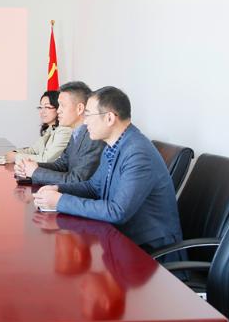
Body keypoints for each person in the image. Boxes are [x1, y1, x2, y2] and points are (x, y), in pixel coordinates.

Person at [33, 86, 182, 255]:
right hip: (120, 240)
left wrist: (60, 201)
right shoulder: (113, 145)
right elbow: (92, 187)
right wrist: (58, 189)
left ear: (109, 118)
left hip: (150, 252)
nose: (85, 122)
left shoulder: (138, 153)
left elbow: (117, 211)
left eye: (88, 115)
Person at [15, 81, 104, 184]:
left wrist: (35, 172)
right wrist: (31, 167)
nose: (58, 111)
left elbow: (77, 180)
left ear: (79, 108)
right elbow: (61, 165)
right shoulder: (76, 133)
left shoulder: (93, 138)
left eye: (62, 105)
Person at [5, 90, 73, 164]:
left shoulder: (64, 131)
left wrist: (16, 157)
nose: (42, 112)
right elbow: (33, 150)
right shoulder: (49, 129)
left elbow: (47, 159)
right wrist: (15, 152)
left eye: (47, 107)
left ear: (58, 108)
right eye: (40, 107)